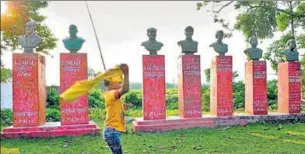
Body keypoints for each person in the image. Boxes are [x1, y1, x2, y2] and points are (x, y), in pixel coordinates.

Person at [103, 64, 131, 154]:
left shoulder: (114, 96)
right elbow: (125, 89)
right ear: (111, 83)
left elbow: (117, 110)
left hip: (112, 132)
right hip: (112, 132)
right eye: (119, 82)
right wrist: (126, 73)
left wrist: (124, 108)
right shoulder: (111, 94)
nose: (121, 84)